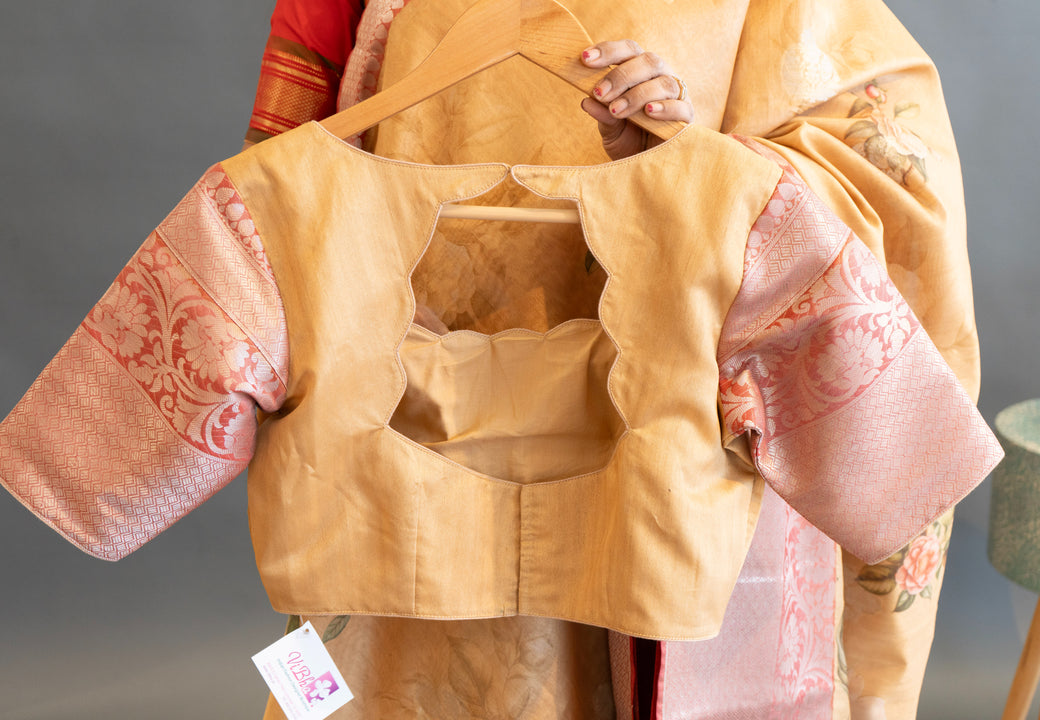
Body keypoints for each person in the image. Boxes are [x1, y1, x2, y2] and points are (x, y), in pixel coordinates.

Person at [237, 2, 979, 718]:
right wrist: (341, 294)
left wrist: (700, 173)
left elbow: (892, 168)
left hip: (677, 427)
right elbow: (284, 192)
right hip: (406, 415)